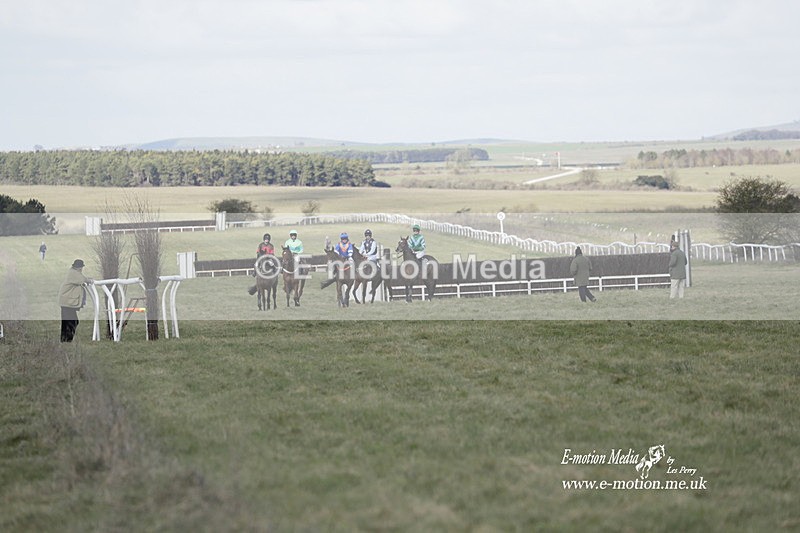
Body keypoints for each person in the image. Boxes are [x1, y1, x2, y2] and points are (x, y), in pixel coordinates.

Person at [58, 259, 93, 342]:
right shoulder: (74, 273)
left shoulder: (73, 272)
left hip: (67, 302)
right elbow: (82, 279)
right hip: (67, 302)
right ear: (80, 267)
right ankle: (67, 339)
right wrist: (90, 280)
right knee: (72, 321)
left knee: (68, 321)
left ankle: (65, 339)